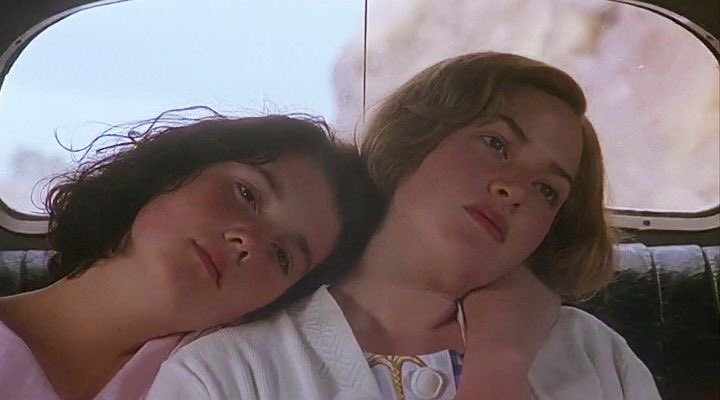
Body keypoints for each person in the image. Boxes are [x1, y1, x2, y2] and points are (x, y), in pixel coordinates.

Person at [147, 53, 660, 399]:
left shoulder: (594, 355)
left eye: (548, 190)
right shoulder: (226, 372)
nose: (517, 190)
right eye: (496, 144)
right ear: (416, 139)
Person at [0, 111, 383, 400]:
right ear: (177, 169)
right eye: (247, 194)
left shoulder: (223, 381)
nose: (247, 240)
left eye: (281, 256)